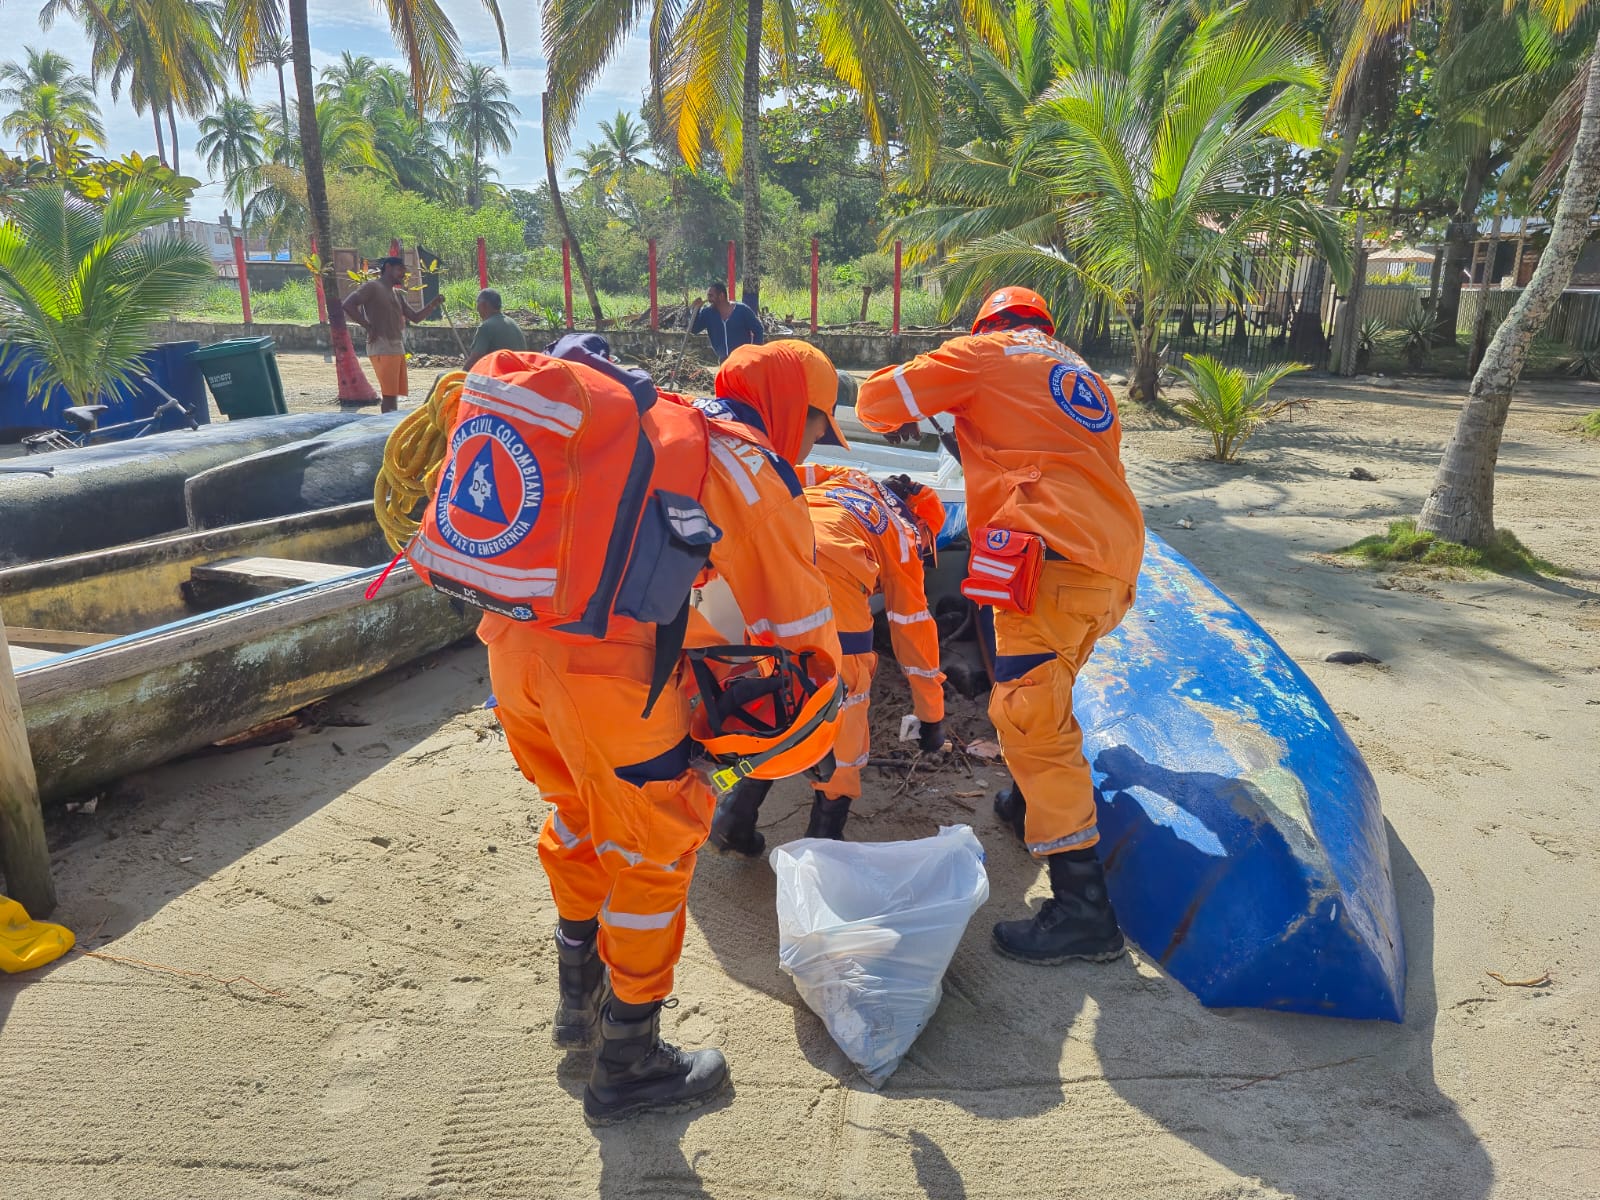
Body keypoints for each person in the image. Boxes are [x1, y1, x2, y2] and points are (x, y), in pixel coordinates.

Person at [483, 339, 849, 1125]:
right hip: (615, 682)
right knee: (652, 853)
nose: (817, 442)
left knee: (578, 817)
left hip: (513, 650)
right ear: (798, 407)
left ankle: (575, 1001)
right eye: (821, 425)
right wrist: (810, 740)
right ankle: (629, 1059)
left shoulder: (655, 425)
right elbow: (796, 628)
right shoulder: (749, 465)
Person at [855, 287, 1146, 966]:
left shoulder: (986, 353)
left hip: (1048, 562)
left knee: (1031, 722)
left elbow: (875, 400)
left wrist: (945, 387)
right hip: (1109, 562)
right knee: (1041, 690)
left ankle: (1083, 909)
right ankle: (1025, 805)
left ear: (986, 324)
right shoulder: (1082, 373)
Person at [709, 467, 947, 850]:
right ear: (920, 525)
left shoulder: (844, 477)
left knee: (780, 698)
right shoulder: (902, 535)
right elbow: (913, 630)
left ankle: (733, 818)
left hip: (772, 564)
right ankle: (824, 839)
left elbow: (777, 471)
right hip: (832, 598)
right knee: (842, 713)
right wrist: (932, 715)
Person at [342, 256, 441, 412]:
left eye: (404, 270)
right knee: (388, 396)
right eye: (400, 269)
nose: (403, 273)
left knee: (393, 395)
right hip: (382, 346)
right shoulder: (372, 287)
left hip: (396, 347)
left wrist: (433, 304)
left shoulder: (397, 293)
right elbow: (348, 304)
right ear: (388, 267)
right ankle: (388, 431)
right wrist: (368, 327)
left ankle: (391, 429)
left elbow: (415, 318)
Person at [689, 281, 765, 360]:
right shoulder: (708, 313)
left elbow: (758, 330)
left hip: (742, 360)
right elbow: (694, 329)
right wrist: (696, 310)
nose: (708, 299)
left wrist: (754, 353)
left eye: (711, 296)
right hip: (724, 361)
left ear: (721, 296)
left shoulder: (742, 310)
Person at [464, 288, 526, 370]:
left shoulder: (486, 327)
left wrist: (459, 378)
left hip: (500, 377)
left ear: (484, 305)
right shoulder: (512, 322)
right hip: (519, 375)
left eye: (477, 303)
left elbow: (474, 360)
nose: (477, 308)